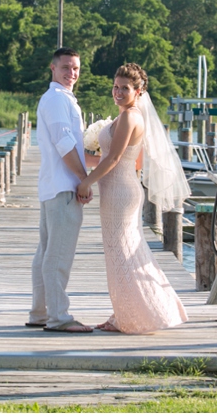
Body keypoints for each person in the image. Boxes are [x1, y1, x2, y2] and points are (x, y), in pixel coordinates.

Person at [76, 63, 190, 334]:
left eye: (125, 88)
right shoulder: (125, 115)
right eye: (116, 87)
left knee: (123, 254)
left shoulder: (130, 117)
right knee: (122, 253)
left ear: (138, 91)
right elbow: (119, 157)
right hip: (118, 190)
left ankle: (135, 314)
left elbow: (115, 159)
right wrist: (73, 158)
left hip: (120, 192)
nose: (118, 92)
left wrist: (86, 182)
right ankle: (122, 313)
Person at [27, 47, 93, 333]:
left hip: (53, 186)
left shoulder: (62, 99)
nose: (72, 73)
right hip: (63, 186)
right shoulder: (55, 99)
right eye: (66, 67)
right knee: (58, 255)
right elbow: (64, 143)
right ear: (52, 68)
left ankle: (40, 313)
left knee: (46, 252)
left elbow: (73, 145)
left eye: (76, 68)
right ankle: (58, 317)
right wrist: (83, 180)